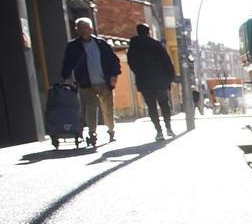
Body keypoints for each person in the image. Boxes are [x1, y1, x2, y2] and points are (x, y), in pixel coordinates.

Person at [61, 17, 120, 146]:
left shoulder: (101, 44)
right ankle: (92, 133)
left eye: (85, 28)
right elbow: (67, 63)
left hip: (104, 81)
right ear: (76, 30)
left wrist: (113, 75)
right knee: (90, 108)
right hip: (86, 82)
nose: (83, 30)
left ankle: (111, 130)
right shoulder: (73, 46)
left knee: (107, 108)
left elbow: (114, 61)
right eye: (80, 28)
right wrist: (67, 77)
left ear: (91, 29)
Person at [127, 24, 177, 141]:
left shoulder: (134, 47)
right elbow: (166, 61)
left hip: (144, 81)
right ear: (149, 32)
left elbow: (131, 63)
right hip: (160, 81)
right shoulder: (155, 44)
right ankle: (168, 127)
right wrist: (170, 77)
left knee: (151, 107)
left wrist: (139, 74)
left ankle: (159, 131)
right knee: (164, 104)